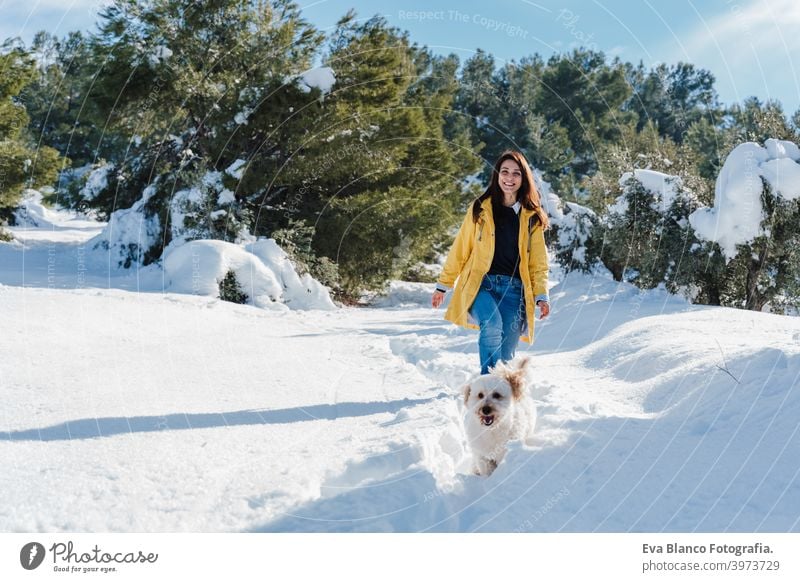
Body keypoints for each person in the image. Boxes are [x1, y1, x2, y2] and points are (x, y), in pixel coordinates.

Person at [432, 150, 550, 374]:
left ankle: (497, 399)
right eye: (504, 171)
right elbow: (461, 249)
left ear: (523, 179)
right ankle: (486, 385)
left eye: (516, 173)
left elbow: (539, 263)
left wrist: (541, 295)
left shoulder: (532, 216)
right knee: (492, 324)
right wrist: (443, 285)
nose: (509, 177)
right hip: (481, 285)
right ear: (497, 175)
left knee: (505, 360)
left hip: (515, 291)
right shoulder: (480, 209)